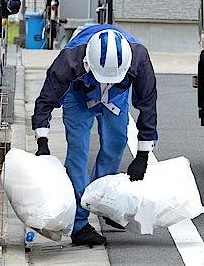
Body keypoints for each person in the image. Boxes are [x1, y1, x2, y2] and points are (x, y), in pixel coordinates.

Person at [31, 24, 157, 247]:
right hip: (78, 97)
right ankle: (79, 224)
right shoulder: (70, 58)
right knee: (78, 151)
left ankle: (104, 202)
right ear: (88, 62)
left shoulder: (139, 57)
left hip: (115, 97)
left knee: (116, 143)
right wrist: (42, 141)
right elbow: (46, 100)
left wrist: (143, 155)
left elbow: (147, 105)